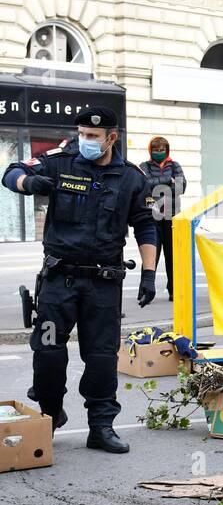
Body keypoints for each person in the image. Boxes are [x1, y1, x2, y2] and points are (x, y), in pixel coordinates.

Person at [2, 105, 158, 453]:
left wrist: (149, 274)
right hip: (59, 282)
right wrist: (29, 182)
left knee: (102, 357)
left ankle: (101, 426)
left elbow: (146, 225)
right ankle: (50, 413)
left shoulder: (132, 177)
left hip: (103, 284)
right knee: (48, 353)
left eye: (92, 136)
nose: (84, 141)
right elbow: (10, 173)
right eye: (82, 134)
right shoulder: (59, 162)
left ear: (111, 138)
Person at [141, 136, 185, 301]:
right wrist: (168, 181)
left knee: (173, 255)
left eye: (162, 150)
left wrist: (158, 185)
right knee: (151, 254)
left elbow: (181, 187)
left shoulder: (175, 165)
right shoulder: (144, 166)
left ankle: (173, 290)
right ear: (150, 150)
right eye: (156, 150)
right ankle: (144, 290)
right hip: (152, 214)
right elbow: (145, 185)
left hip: (172, 215)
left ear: (167, 150)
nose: (159, 153)